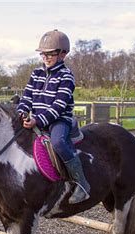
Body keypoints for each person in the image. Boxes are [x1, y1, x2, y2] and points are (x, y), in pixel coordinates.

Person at [17, 29, 90, 204]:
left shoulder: (66, 76)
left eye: (51, 54)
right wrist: (22, 112)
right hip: (36, 117)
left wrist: (38, 120)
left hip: (59, 120)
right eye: (44, 54)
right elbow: (27, 97)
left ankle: (82, 184)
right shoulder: (36, 73)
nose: (46, 57)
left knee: (58, 142)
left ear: (63, 54)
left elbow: (58, 105)